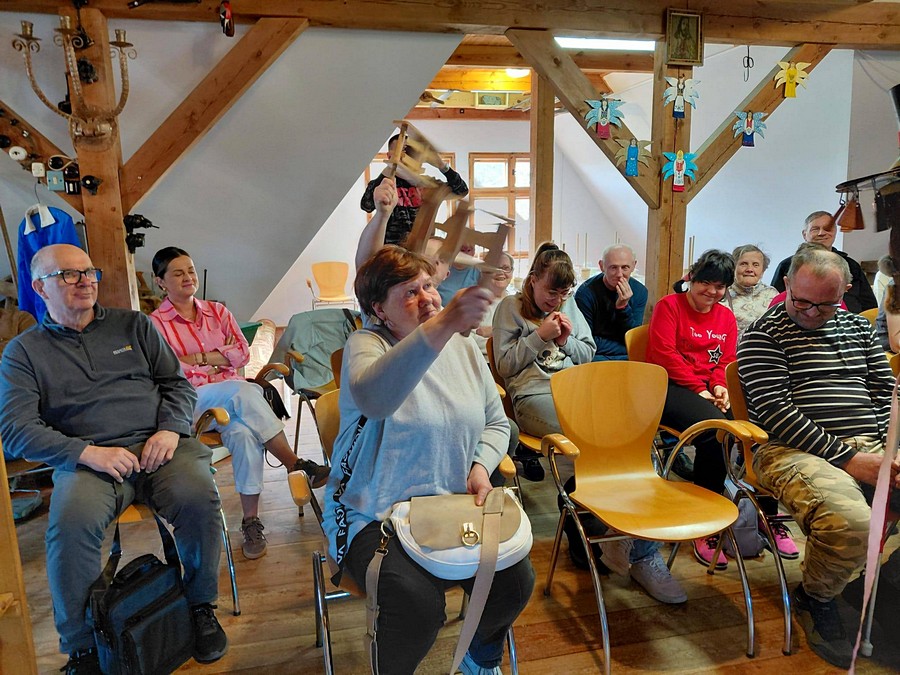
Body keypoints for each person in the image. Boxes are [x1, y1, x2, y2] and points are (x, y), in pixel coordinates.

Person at [0, 244, 227, 674]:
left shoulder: (134, 325)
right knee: (70, 526)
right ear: (40, 288)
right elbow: (15, 429)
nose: (85, 281)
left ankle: (200, 607)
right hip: (89, 460)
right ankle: (82, 648)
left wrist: (169, 428)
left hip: (160, 447)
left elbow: (177, 386)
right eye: (69, 275)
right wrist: (86, 453)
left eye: (89, 272)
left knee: (198, 497)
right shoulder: (24, 352)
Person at [322, 245, 533, 674]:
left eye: (428, 287)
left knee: (514, 583)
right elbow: (375, 399)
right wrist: (447, 322)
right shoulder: (366, 345)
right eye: (410, 293)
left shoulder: (464, 347)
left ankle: (480, 659)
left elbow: (497, 423)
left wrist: (479, 466)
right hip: (372, 511)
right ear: (378, 309)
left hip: (451, 504)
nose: (428, 299)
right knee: (416, 606)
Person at [493, 244, 686, 603]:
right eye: (551, 292)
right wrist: (539, 336)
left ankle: (629, 541)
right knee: (601, 442)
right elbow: (505, 366)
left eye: (563, 294)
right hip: (533, 396)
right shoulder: (510, 307)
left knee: (635, 438)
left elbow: (587, 354)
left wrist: (565, 341)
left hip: (578, 390)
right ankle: (620, 538)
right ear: (533, 280)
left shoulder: (569, 307)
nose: (557, 301)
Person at [738, 246, 900, 669]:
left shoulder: (857, 327)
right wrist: (849, 458)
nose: (811, 313)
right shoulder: (762, 335)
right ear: (787, 284)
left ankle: (883, 586)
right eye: (802, 301)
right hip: (789, 448)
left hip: (868, 443)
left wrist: (890, 448)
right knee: (851, 522)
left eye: (825, 305)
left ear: (845, 291)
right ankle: (816, 596)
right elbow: (777, 413)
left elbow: (885, 392)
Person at [149, 247, 329, 560]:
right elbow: (171, 371)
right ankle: (295, 464)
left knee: (244, 433)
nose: (188, 277)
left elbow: (242, 353)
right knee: (243, 390)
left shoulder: (217, 312)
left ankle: (251, 521)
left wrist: (199, 358)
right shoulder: (155, 325)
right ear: (160, 281)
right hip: (191, 401)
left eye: (190, 270)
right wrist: (218, 359)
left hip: (233, 402)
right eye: (177, 273)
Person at [647, 250, 744, 569]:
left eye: (720, 287)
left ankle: (743, 513)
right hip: (668, 386)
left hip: (706, 390)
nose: (712, 292)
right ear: (692, 278)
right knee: (716, 432)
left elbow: (726, 359)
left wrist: (719, 387)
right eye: (706, 283)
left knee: (747, 424)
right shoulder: (669, 306)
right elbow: (664, 355)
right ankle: (704, 523)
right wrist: (699, 389)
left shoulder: (726, 317)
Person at [360, 133, 468, 246]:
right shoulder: (384, 184)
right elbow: (366, 205)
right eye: (401, 151)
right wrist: (391, 167)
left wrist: (441, 165)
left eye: (409, 151)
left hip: (422, 249)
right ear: (389, 155)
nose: (406, 155)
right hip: (392, 250)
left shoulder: (427, 184)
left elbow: (461, 191)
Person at [770, 211, 877, 313]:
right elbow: (775, 301)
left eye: (827, 229)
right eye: (815, 229)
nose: (821, 233)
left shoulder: (851, 266)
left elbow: (869, 304)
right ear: (804, 234)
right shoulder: (787, 266)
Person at [574, 243, 647, 361]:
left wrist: (623, 307)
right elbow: (585, 341)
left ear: (634, 266)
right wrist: (626, 347)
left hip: (624, 355)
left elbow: (633, 337)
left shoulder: (640, 291)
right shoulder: (585, 293)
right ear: (602, 266)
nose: (619, 274)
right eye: (613, 267)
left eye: (625, 267)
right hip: (595, 355)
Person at [725, 244, 777, 340]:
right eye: (743, 264)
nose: (749, 269)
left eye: (755, 265)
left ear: (763, 271)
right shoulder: (722, 295)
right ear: (734, 268)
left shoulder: (772, 294)